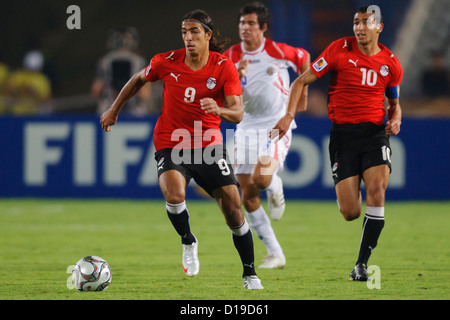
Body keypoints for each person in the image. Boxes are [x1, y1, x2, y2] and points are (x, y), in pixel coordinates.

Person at [100, 9, 263, 290]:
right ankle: (188, 240)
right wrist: (114, 109)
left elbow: (237, 113)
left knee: (234, 211)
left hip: (209, 144)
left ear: (208, 36)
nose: (188, 37)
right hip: (171, 141)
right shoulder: (166, 61)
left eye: (194, 32)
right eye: (184, 32)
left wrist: (219, 108)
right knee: (174, 194)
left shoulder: (223, 67)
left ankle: (250, 273)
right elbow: (139, 78)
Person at [280, 5, 403, 281]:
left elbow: (395, 105)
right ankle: (349, 192)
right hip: (343, 137)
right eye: (356, 22)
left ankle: (361, 264)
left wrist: (396, 120)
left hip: (374, 134)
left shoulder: (391, 63)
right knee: (351, 212)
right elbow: (301, 81)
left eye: (366, 22)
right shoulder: (338, 49)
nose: (359, 27)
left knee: (377, 189)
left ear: (379, 27)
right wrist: (288, 116)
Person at [223, 2, 310, 269]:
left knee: (261, 178)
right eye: (241, 24)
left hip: (276, 124)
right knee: (246, 195)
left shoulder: (277, 51)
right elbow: (222, 92)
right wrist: (236, 77)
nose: (244, 28)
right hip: (246, 127)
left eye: (250, 24)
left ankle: (276, 186)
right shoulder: (230, 56)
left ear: (263, 27)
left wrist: (298, 103)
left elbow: (305, 58)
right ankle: (275, 253)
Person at [91, 27, 153, 115]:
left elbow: (96, 90)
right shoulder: (139, 61)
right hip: (134, 111)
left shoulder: (105, 61)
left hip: (108, 110)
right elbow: (145, 93)